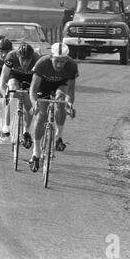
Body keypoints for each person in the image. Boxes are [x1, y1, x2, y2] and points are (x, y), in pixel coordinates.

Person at [28, 42, 78, 172]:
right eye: (57, 61)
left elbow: (71, 91)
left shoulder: (72, 65)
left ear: (67, 59)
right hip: (43, 85)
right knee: (42, 115)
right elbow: (33, 89)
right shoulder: (42, 63)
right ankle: (36, 152)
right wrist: (35, 104)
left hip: (61, 85)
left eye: (63, 62)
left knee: (61, 101)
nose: (60, 65)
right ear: (51, 58)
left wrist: (69, 105)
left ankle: (58, 137)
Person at [0, 42, 41, 147]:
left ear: (32, 58)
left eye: (28, 60)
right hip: (15, 75)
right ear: (18, 56)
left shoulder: (37, 60)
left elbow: (40, 82)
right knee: (13, 92)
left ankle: (26, 131)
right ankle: (6, 126)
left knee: (29, 105)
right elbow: (3, 77)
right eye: (22, 59)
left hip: (30, 78)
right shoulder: (11, 56)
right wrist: (4, 92)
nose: (25, 63)